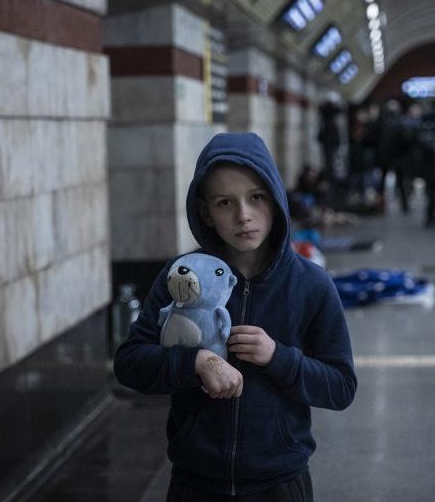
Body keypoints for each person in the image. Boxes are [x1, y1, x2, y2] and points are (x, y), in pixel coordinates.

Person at [114, 132, 357, 501]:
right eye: (225, 202)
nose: (244, 215)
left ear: (275, 201)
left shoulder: (312, 286)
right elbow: (130, 362)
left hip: (280, 482)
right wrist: (196, 362)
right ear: (205, 214)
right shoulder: (182, 277)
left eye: (256, 198)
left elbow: (340, 387)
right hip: (195, 481)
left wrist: (279, 358)